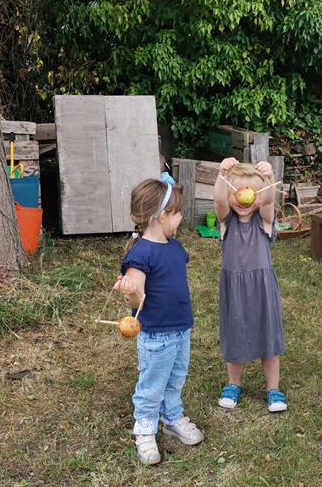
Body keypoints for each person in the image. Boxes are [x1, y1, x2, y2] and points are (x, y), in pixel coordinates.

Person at [113, 173, 204, 465]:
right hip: (156, 333)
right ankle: (144, 428)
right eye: (178, 214)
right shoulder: (141, 253)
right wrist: (129, 293)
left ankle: (171, 416)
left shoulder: (174, 246)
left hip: (180, 328)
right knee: (152, 383)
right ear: (163, 215)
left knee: (176, 378)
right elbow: (135, 299)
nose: (181, 220)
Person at [213, 158, 288, 412]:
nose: (242, 198)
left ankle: (273, 389)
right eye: (236, 192)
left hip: (262, 288)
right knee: (235, 334)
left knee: (268, 335)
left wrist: (268, 179)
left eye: (251, 193)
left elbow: (268, 202)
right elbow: (219, 202)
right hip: (235, 289)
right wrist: (221, 174)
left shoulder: (264, 222)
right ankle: (233, 383)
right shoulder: (227, 223)